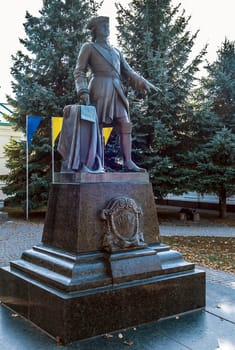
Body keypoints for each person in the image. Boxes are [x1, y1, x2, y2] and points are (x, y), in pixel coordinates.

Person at [74, 16, 157, 172]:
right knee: (96, 125)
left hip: (116, 89)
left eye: (108, 25)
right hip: (99, 87)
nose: (106, 28)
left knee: (125, 123)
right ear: (95, 29)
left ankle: (128, 162)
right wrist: (83, 90)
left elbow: (128, 71)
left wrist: (143, 81)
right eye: (103, 25)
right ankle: (94, 162)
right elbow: (79, 71)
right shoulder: (89, 47)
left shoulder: (116, 51)